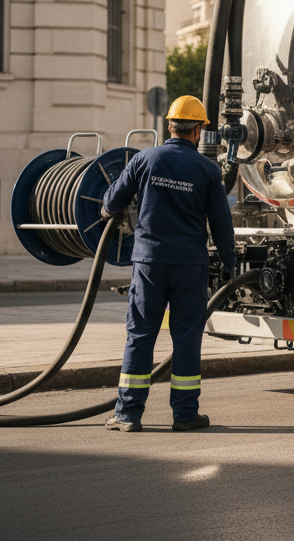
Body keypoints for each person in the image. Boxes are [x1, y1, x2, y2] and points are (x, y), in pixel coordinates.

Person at [101, 95, 235, 433]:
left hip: (149, 262)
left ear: (170, 125)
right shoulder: (208, 169)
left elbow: (113, 201)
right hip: (189, 264)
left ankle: (128, 415)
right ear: (198, 131)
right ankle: (185, 415)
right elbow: (221, 224)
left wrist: (105, 211)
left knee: (140, 335)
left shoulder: (145, 159)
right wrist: (230, 266)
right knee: (187, 337)